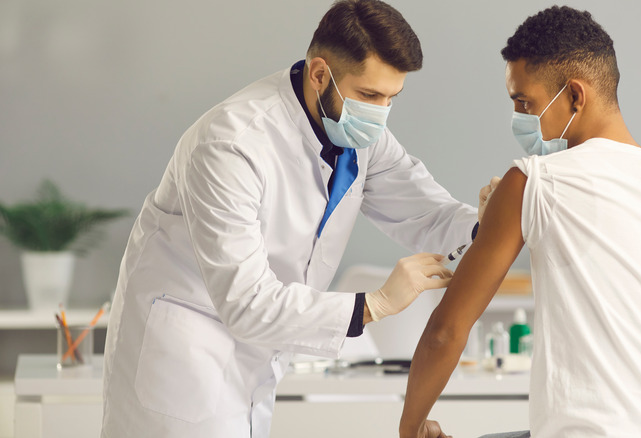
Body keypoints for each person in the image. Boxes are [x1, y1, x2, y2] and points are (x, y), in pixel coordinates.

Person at [100, 1, 499, 437]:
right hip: (183, 365)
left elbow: (424, 211)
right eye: (369, 95)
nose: (381, 113)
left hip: (255, 363)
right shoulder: (231, 144)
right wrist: (375, 304)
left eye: (391, 98)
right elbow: (246, 301)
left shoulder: (360, 135)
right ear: (319, 74)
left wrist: (489, 222)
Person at [400, 6, 641, 438]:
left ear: (575, 96)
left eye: (525, 102)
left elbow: (445, 332)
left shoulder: (532, 181)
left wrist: (410, 428)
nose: (519, 117)